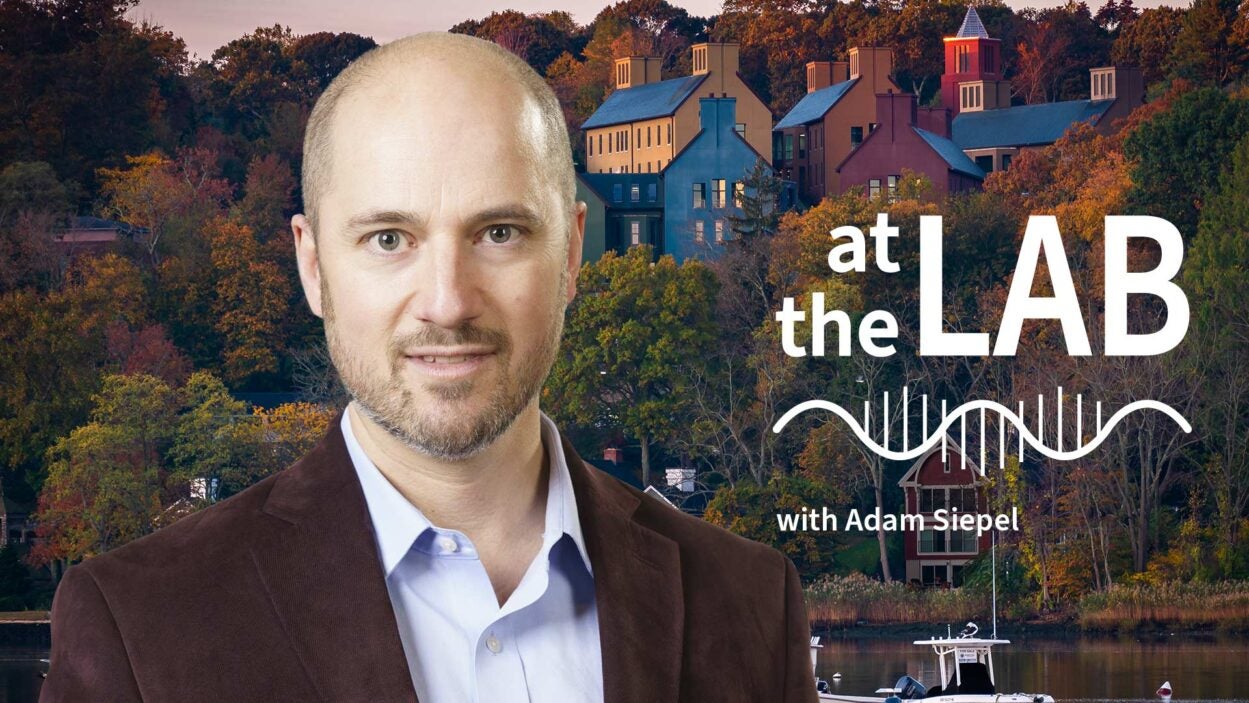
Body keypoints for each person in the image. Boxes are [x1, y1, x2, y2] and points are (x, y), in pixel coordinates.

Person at [41, 32, 817, 703]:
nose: (446, 303)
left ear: (574, 250)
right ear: (312, 266)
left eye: (500, 231)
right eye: (388, 238)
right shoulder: (139, 626)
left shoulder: (749, 602)